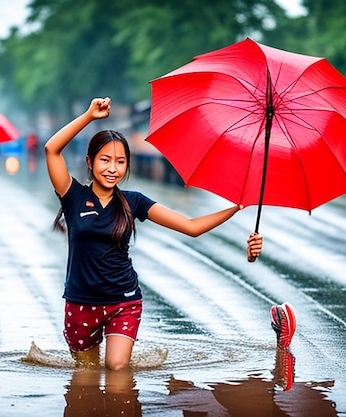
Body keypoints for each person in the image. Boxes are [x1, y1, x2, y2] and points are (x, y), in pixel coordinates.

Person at [44, 97, 264, 371]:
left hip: (123, 301)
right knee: (85, 378)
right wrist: (89, 116)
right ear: (89, 162)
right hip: (80, 302)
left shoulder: (134, 201)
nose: (113, 169)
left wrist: (236, 207)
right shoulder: (73, 195)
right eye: (105, 160)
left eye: (120, 162)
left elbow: (191, 226)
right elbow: (52, 149)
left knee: (116, 367)